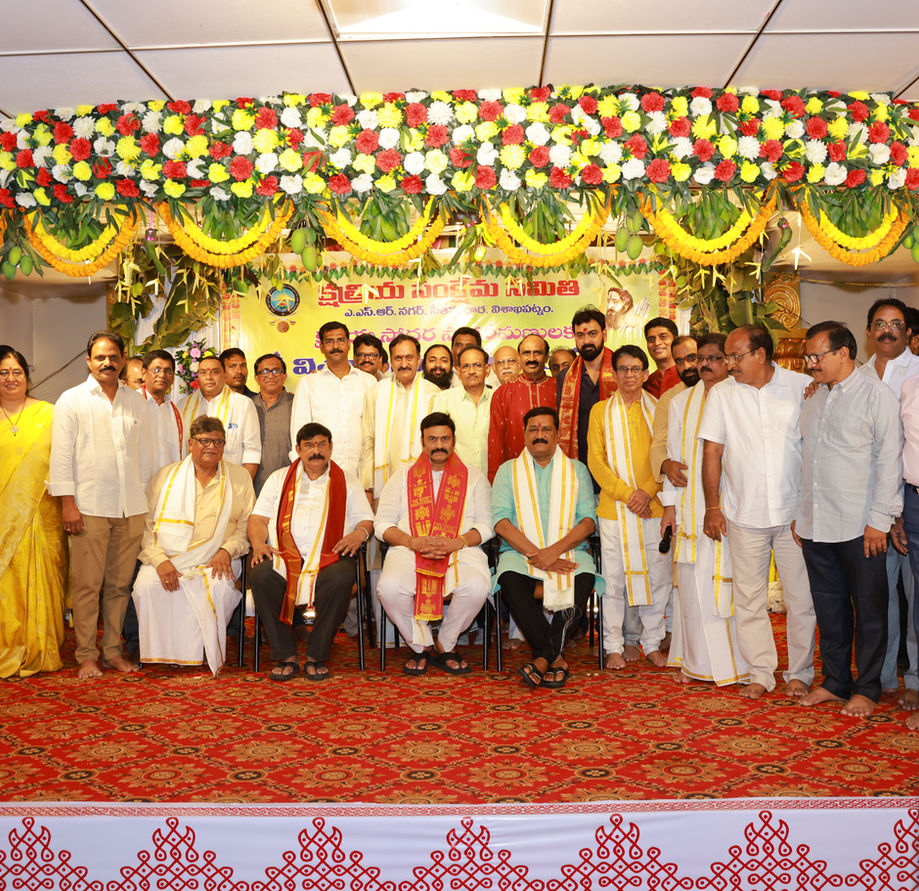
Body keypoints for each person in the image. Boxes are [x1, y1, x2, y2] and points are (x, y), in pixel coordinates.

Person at [699, 324, 816, 700]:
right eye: (727, 357)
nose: (729, 364)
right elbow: (712, 452)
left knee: (801, 599)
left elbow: (816, 447)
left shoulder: (802, 387)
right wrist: (712, 506)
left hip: (793, 514)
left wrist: (810, 506)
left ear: (760, 354)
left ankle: (799, 673)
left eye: (735, 356)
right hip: (743, 512)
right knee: (748, 600)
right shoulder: (722, 394)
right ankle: (761, 673)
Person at [792, 322, 901, 717]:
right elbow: (807, 459)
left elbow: (889, 460)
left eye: (816, 356)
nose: (810, 363)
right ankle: (835, 681)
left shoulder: (875, 395)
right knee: (830, 609)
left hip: (861, 525)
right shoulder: (814, 397)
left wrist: (879, 519)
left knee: (870, 610)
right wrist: (802, 512)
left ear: (843, 353)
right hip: (816, 523)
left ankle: (868, 688)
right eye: (808, 357)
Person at [49, 330, 155, 679]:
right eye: (100, 357)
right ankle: (86, 656)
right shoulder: (72, 400)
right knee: (87, 586)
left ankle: (112, 651)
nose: (107, 362)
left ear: (123, 360)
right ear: (88, 361)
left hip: (131, 508)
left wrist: (146, 505)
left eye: (113, 357)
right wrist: (68, 503)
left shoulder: (136, 402)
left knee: (120, 586)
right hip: (89, 507)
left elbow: (146, 458)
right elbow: (61, 457)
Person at [248, 422, 373, 681]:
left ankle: (317, 654)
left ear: (331, 447)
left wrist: (358, 533)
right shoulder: (279, 478)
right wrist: (259, 544)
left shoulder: (347, 481)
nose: (316, 451)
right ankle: (286, 654)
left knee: (341, 577)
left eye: (321, 444)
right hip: (284, 556)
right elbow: (257, 519)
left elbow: (366, 520)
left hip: (331, 556)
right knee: (261, 575)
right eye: (309, 446)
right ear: (298, 449)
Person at [132, 416, 255, 675]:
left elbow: (246, 526)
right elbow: (146, 526)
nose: (212, 447)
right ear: (190, 443)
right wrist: (160, 561)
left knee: (218, 587)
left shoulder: (239, 477)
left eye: (218, 442)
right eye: (204, 441)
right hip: (168, 556)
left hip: (219, 558)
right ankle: (166, 652)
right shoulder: (165, 477)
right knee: (146, 586)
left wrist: (227, 550)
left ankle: (200, 651)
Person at [660, 334, 748, 686]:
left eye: (714, 358)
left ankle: (739, 664)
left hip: (733, 508)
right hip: (689, 510)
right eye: (701, 358)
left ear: (728, 361)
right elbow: (673, 458)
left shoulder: (741, 395)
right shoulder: (681, 402)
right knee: (693, 587)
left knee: (730, 586)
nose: (705, 364)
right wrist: (669, 505)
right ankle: (696, 663)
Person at [376, 412, 493, 675]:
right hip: (409, 549)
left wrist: (457, 542)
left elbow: (487, 525)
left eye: (444, 439)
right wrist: (412, 541)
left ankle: (445, 643)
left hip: (460, 550)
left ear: (454, 441)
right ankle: (421, 645)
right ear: (422, 441)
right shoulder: (403, 475)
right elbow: (381, 523)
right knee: (389, 588)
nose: (439, 445)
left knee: (477, 586)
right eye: (432, 439)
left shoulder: (474, 476)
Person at [493, 407, 597, 689]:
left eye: (546, 429)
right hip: (520, 553)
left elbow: (588, 521)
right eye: (533, 429)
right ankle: (555, 658)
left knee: (584, 577)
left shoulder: (576, 470)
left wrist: (553, 552)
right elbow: (501, 522)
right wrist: (537, 554)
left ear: (558, 435)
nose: (539, 435)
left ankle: (542, 658)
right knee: (509, 577)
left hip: (569, 551)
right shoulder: (508, 471)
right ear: (524, 434)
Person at [588, 345, 672, 669]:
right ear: (613, 374)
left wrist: (646, 492)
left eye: (635, 368)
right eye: (622, 369)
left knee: (656, 577)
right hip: (614, 509)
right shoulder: (600, 411)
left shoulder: (658, 409)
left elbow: (665, 455)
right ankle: (613, 645)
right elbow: (596, 461)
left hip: (652, 508)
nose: (629, 375)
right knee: (614, 581)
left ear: (645, 373)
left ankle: (651, 643)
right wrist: (628, 495)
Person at [860, 297, 919, 714]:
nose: (887, 331)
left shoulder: (915, 374)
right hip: (868, 507)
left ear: (908, 333)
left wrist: (897, 510)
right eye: (880, 323)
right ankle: (879, 678)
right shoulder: (856, 375)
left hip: (907, 502)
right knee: (878, 596)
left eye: (896, 324)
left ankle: (913, 678)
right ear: (868, 332)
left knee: (915, 597)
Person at [0, 346, 67, 678]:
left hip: (43, 515)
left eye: (17, 372)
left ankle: (42, 647)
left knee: (44, 580)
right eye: (3, 372)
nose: (11, 378)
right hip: (3, 518)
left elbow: (65, 462)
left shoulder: (50, 414)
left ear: (27, 376)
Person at [290, 322, 375, 482]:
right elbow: (298, 432)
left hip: (363, 475)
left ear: (348, 344)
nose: (336, 346)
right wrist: (304, 476)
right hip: (321, 475)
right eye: (329, 341)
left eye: (340, 340)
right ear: (321, 347)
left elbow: (376, 430)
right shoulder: (308, 383)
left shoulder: (368, 382)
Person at [360, 333, 438, 504]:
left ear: (419, 360)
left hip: (425, 483)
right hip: (384, 483)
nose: (404, 364)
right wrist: (367, 485)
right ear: (390, 361)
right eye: (398, 358)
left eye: (409, 357)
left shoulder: (433, 394)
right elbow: (367, 440)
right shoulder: (375, 393)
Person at [487, 334, 557, 482]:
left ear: (546, 358)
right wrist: (496, 481)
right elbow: (496, 441)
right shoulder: (503, 393)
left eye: (537, 353)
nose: (531, 358)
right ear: (519, 358)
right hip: (516, 475)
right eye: (526, 353)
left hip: (556, 472)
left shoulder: (560, 388)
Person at [178, 355, 260, 478]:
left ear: (224, 376)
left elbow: (252, 450)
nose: (209, 377)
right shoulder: (182, 405)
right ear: (198, 377)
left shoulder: (243, 404)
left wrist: (244, 484)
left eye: (215, 372)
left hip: (230, 480)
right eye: (203, 372)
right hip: (190, 479)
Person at [557, 307, 616, 467]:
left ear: (604, 335)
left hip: (616, 460)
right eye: (580, 335)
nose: (586, 341)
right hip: (579, 462)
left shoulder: (622, 371)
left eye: (592, 334)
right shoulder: (565, 377)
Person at [432, 345, 493, 474]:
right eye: (466, 366)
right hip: (455, 476)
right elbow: (437, 438)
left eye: (477, 365)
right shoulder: (445, 398)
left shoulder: (498, 397)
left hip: (494, 475)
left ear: (487, 369)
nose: (471, 371)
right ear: (458, 371)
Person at [649, 336, 699, 486]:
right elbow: (658, 444)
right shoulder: (669, 399)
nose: (686, 366)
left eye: (692, 358)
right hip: (685, 479)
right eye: (679, 361)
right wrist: (665, 464)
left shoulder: (722, 389)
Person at [252, 353, 293, 495]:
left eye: (276, 371)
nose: (270, 375)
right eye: (264, 371)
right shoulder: (247, 405)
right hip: (253, 485)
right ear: (256, 378)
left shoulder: (296, 403)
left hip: (287, 483)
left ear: (284, 376)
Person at [139, 349, 183, 470]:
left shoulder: (175, 411)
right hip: (139, 478)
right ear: (143, 373)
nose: (162, 375)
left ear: (173, 377)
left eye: (167, 371)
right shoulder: (132, 403)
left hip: (167, 478)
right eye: (156, 370)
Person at [643, 317, 680, 398]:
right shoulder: (646, 385)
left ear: (675, 340)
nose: (657, 343)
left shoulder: (688, 378)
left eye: (663, 337)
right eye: (651, 339)